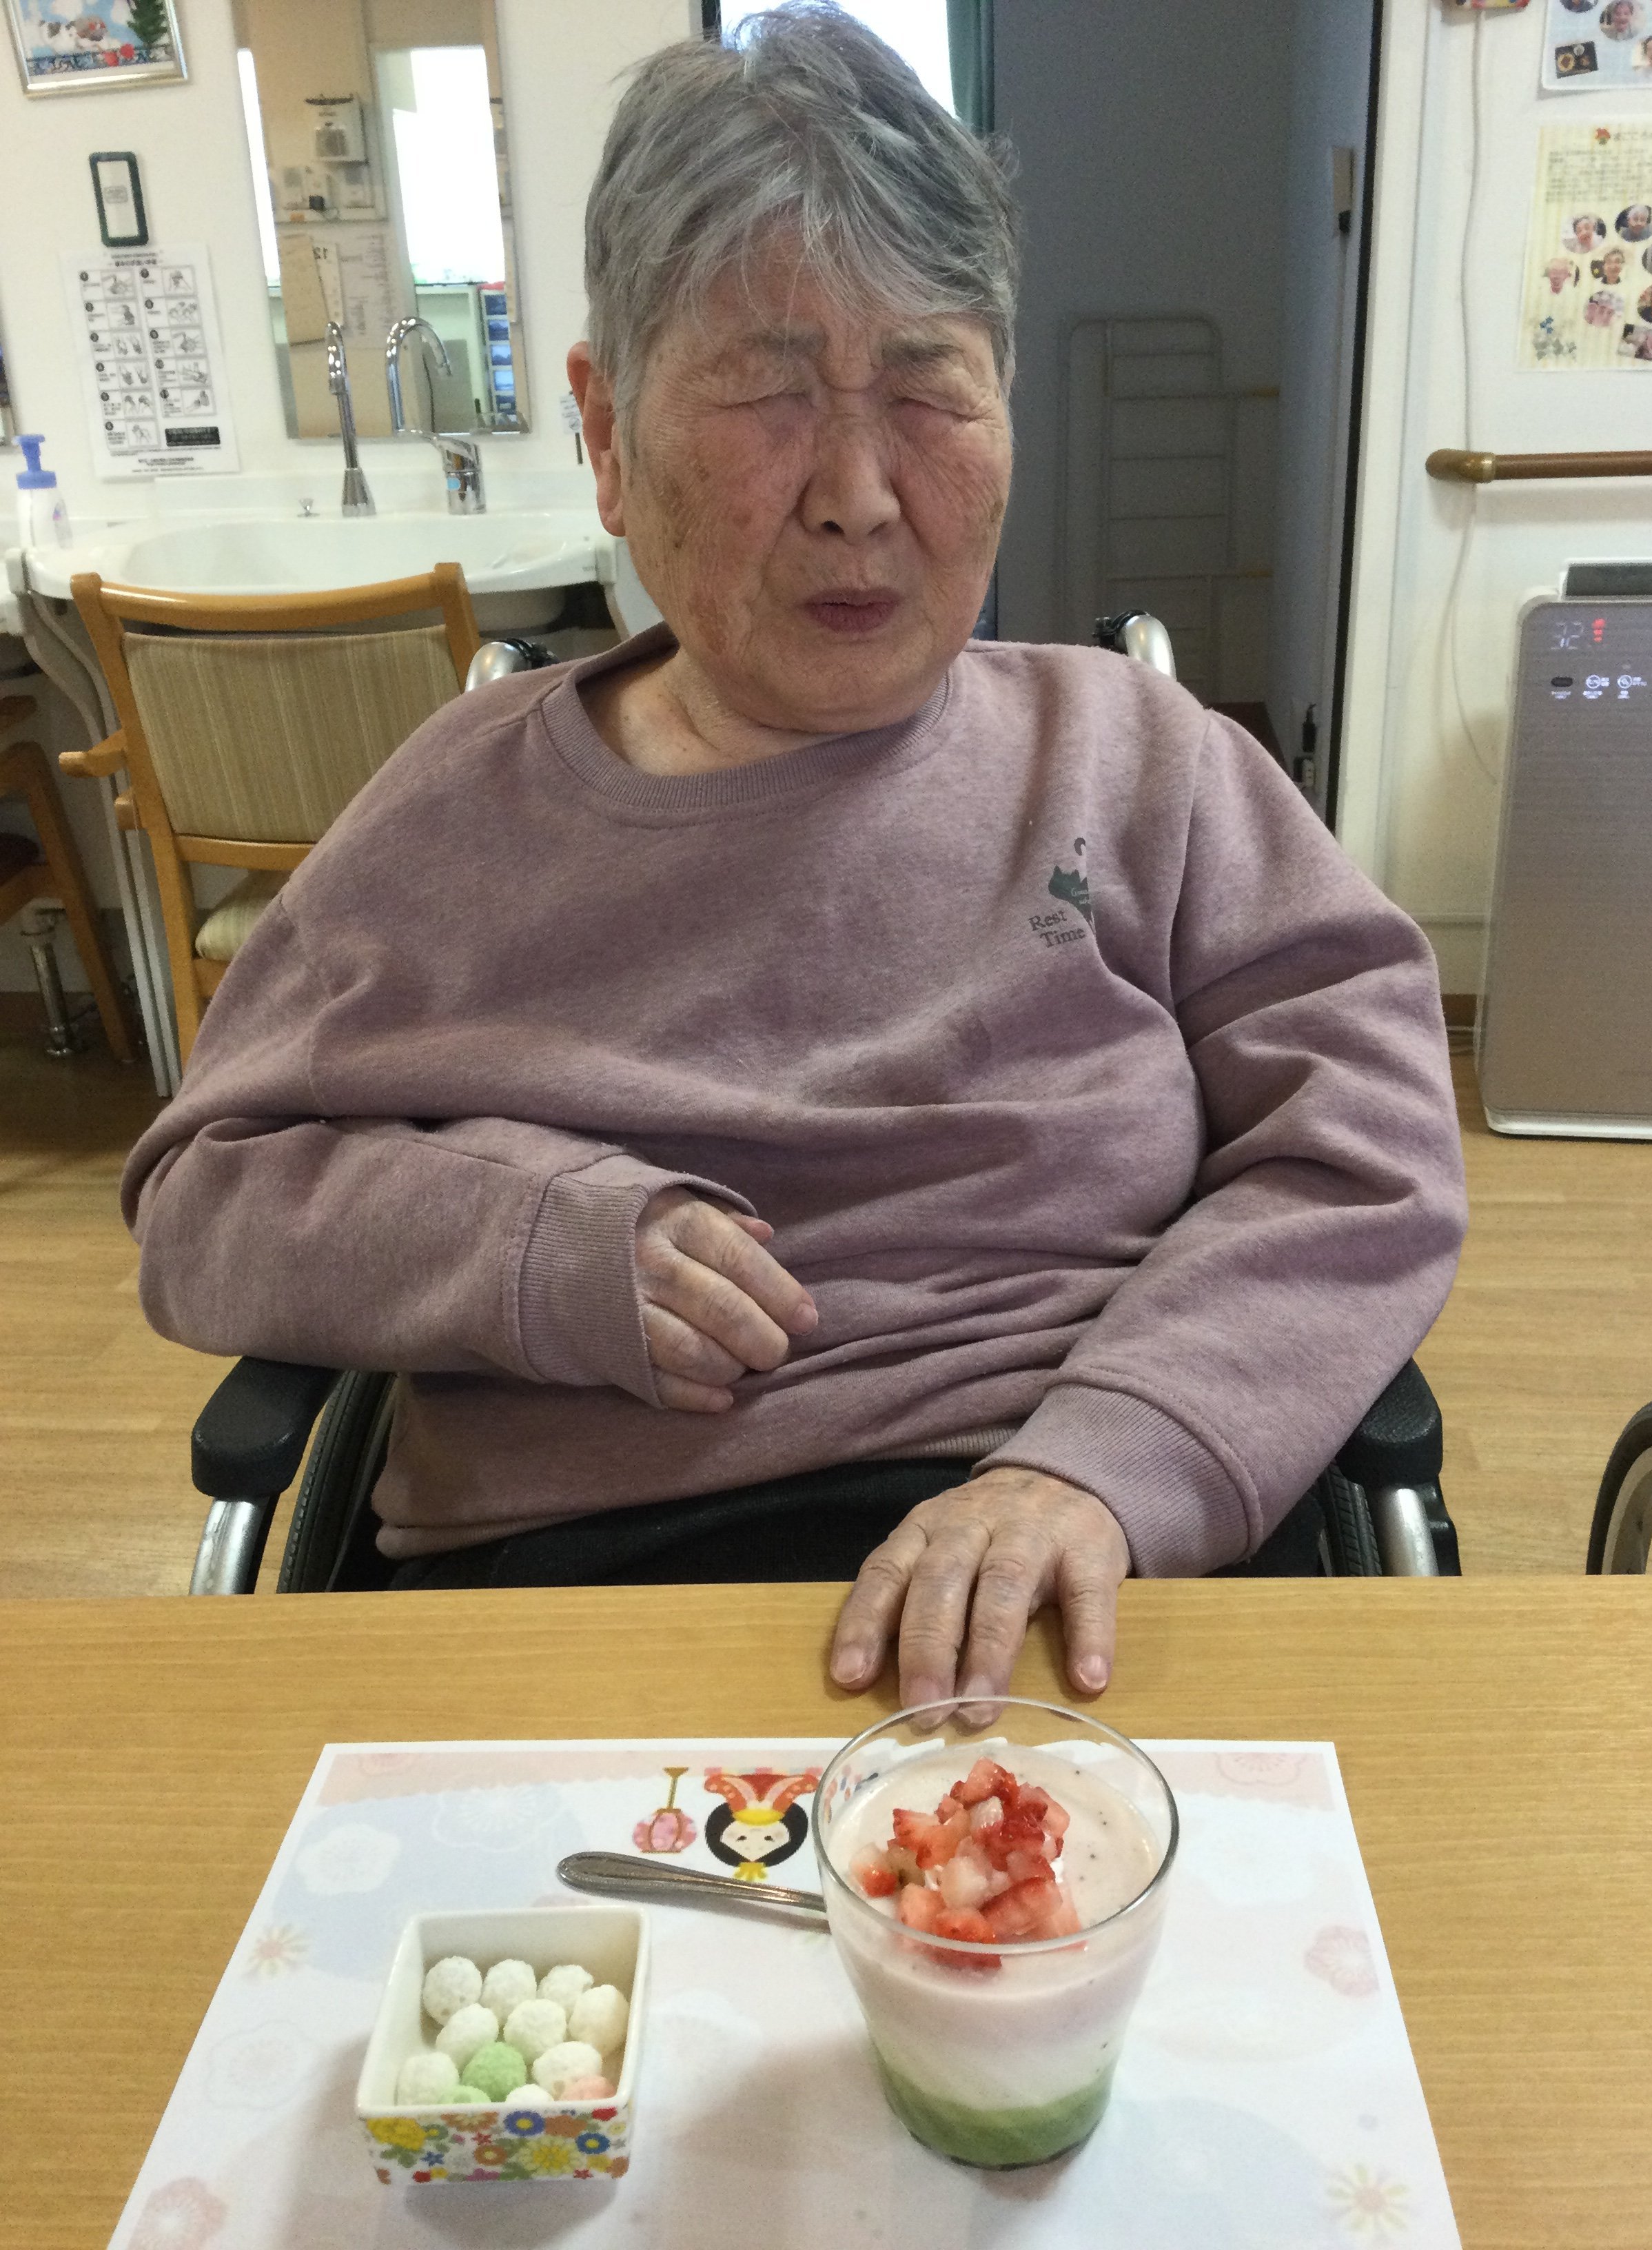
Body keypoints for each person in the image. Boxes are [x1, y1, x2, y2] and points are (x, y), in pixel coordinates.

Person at [122, 6, 1465, 1708]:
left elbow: (1369, 1148)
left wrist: (1113, 1453)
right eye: (764, 390)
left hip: (1095, 1568)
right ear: (607, 433)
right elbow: (207, 1202)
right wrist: (529, 1247)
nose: (858, 493)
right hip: (581, 1604)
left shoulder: (1140, 763)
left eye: (928, 388)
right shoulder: (455, 816)